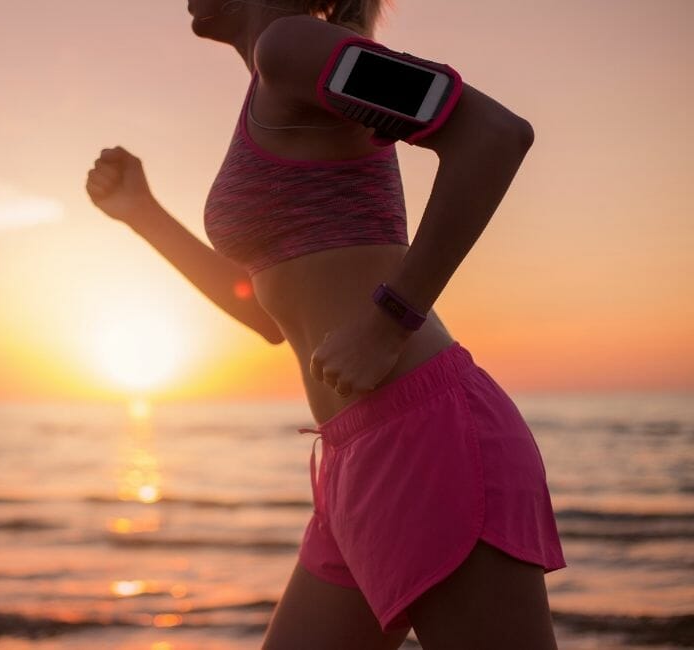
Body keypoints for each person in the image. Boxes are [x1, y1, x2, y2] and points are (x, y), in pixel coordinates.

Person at [85, 1, 567, 648]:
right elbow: (266, 316)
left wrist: (389, 321)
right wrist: (141, 213)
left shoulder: (291, 48)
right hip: (353, 454)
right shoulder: (283, 74)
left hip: (424, 437)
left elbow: (494, 134)